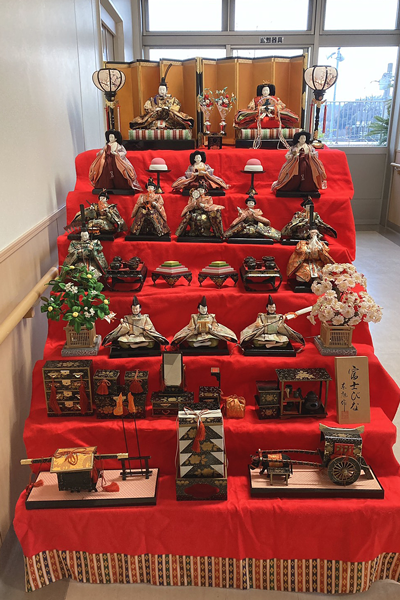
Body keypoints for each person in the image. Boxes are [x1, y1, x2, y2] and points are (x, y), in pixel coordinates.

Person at [129, 65, 194, 130]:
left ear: (166, 91)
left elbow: (176, 107)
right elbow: (147, 108)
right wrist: (155, 109)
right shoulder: (153, 100)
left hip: (169, 119)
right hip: (155, 119)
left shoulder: (172, 100)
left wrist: (168, 109)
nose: (161, 91)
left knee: (175, 116)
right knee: (147, 120)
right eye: (160, 90)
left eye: (163, 90)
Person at [271, 130, 327, 195]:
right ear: (298, 139)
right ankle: (292, 186)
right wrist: (289, 156)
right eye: (302, 138)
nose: (303, 139)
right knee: (293, 177)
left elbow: (314, 153)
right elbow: (289, 154)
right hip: (295, 164)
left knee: (308, 177)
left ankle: (306, 187)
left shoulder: (309, 147)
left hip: (307, 163)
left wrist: (312, 154)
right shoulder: (294, 147)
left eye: (304, 138)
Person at [102, 296, 168, 350]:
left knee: (151, 343)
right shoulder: (128, 317)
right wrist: (123, 323)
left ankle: (134, 345)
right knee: (122, 343)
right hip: (131, 336)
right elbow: (125, 328)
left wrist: (146, 328)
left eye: (136, 309)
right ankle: (136, 344)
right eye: (133, 309)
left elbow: (149, 325)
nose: (135, 310)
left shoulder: (145, 317)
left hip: (142, 336)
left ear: (140, 309)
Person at [240, 295, 305, 350]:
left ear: (275, 308)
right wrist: (264, 325)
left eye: (273, 307)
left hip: (276, 334)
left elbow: (281, 326)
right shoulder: (261, 316)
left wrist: (283, 320)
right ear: (267, 308)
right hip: (264, 334)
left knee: (285, 341)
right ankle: (271, 343)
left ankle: (271, 344)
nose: (272, 309)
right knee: (255, 341)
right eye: (270, 307)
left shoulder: (279, 316)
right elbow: (257, 324)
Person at [172, 296, 237, 349]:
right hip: (197, 335)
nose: (204, 310)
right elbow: (190, 327)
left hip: (208, 335)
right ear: (198, 309)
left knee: (214, 343)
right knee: (190, 343)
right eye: (202, 309)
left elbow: (216, 326)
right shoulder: (194, 317)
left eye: (205, 308)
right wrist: (196, 329)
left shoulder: (211, 316)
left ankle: (199, 344)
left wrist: (211, 328)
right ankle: (199, 344)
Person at [234, 83, 299, 130]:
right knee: (244, 114)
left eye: (267, 90)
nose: (265, 92)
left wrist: (274, 108)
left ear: (269, 91)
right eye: (264, 90)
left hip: (273, 114)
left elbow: (282, 106)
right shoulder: (256, 99)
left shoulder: (275, 98)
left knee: (285, 113)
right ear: (261, 91)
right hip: (259, 115)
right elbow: (250, 107)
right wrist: (260, 109)